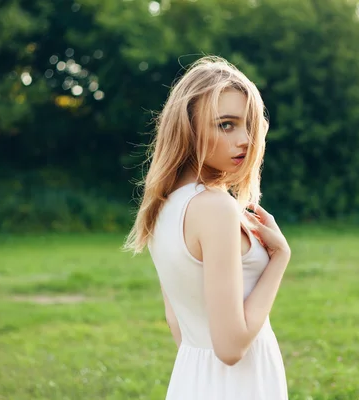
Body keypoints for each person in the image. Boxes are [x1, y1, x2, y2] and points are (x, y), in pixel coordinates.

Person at [124, 55, 290, 400]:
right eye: (226, 124)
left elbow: (179, 325)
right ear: (188, 127)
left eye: (249, 125)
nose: (245, 139)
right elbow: (231, 348)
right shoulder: (214, 207)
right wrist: (280, 259)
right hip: (238, 386)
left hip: (193, 379)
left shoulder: (162, 207)